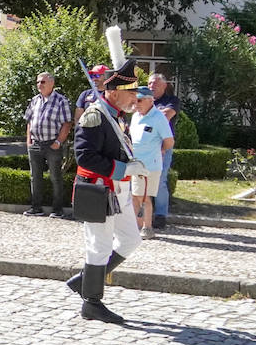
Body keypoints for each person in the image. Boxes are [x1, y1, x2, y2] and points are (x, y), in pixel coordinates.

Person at [68, 58, 146, 324]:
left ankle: (86, 279)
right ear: (112, 92)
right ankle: (91, 302)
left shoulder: (116, 116)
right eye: (131, 92)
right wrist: (123, 169)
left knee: (131, 240)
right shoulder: (95, 115)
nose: (135, 98)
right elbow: (85, 157)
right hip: (98, 190)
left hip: (118, 191)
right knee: (98, 247)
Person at [23, 72, 72, 218]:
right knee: (35, 177)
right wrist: (28, 140)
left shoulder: (61, 101)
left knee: (55, 178)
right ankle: (36, 207)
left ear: (51, 83)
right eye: (38, 82)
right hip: (36, 143)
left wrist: (58, 142)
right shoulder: (34, 100)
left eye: (43, 82)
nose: (39, 85)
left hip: (52, 144)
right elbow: (29, 121)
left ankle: (58, 210)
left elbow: (67, 123)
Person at [129, 86, 174, 239]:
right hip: (135, 163)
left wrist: (161, 150)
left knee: (144, 197)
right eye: (135, 100)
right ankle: (135, 227)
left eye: (139, 100)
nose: (136, 103)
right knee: (135, 195)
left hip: (150, 164)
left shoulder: (158, 118)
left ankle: (147, 228)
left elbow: (169, 141)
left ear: (150, 100)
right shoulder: (136, 116)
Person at [150, 73, 180, 230]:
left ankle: (161, 215)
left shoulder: (172, 101)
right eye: (149, 83)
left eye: (155, 83)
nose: (151, 86)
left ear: (164, 86)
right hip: (145, 146)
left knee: (160, 180)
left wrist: (148, 114)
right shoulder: (144, 100)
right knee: (141, 179)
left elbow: (167, 115)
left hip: (163, 146)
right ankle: (143, 214)